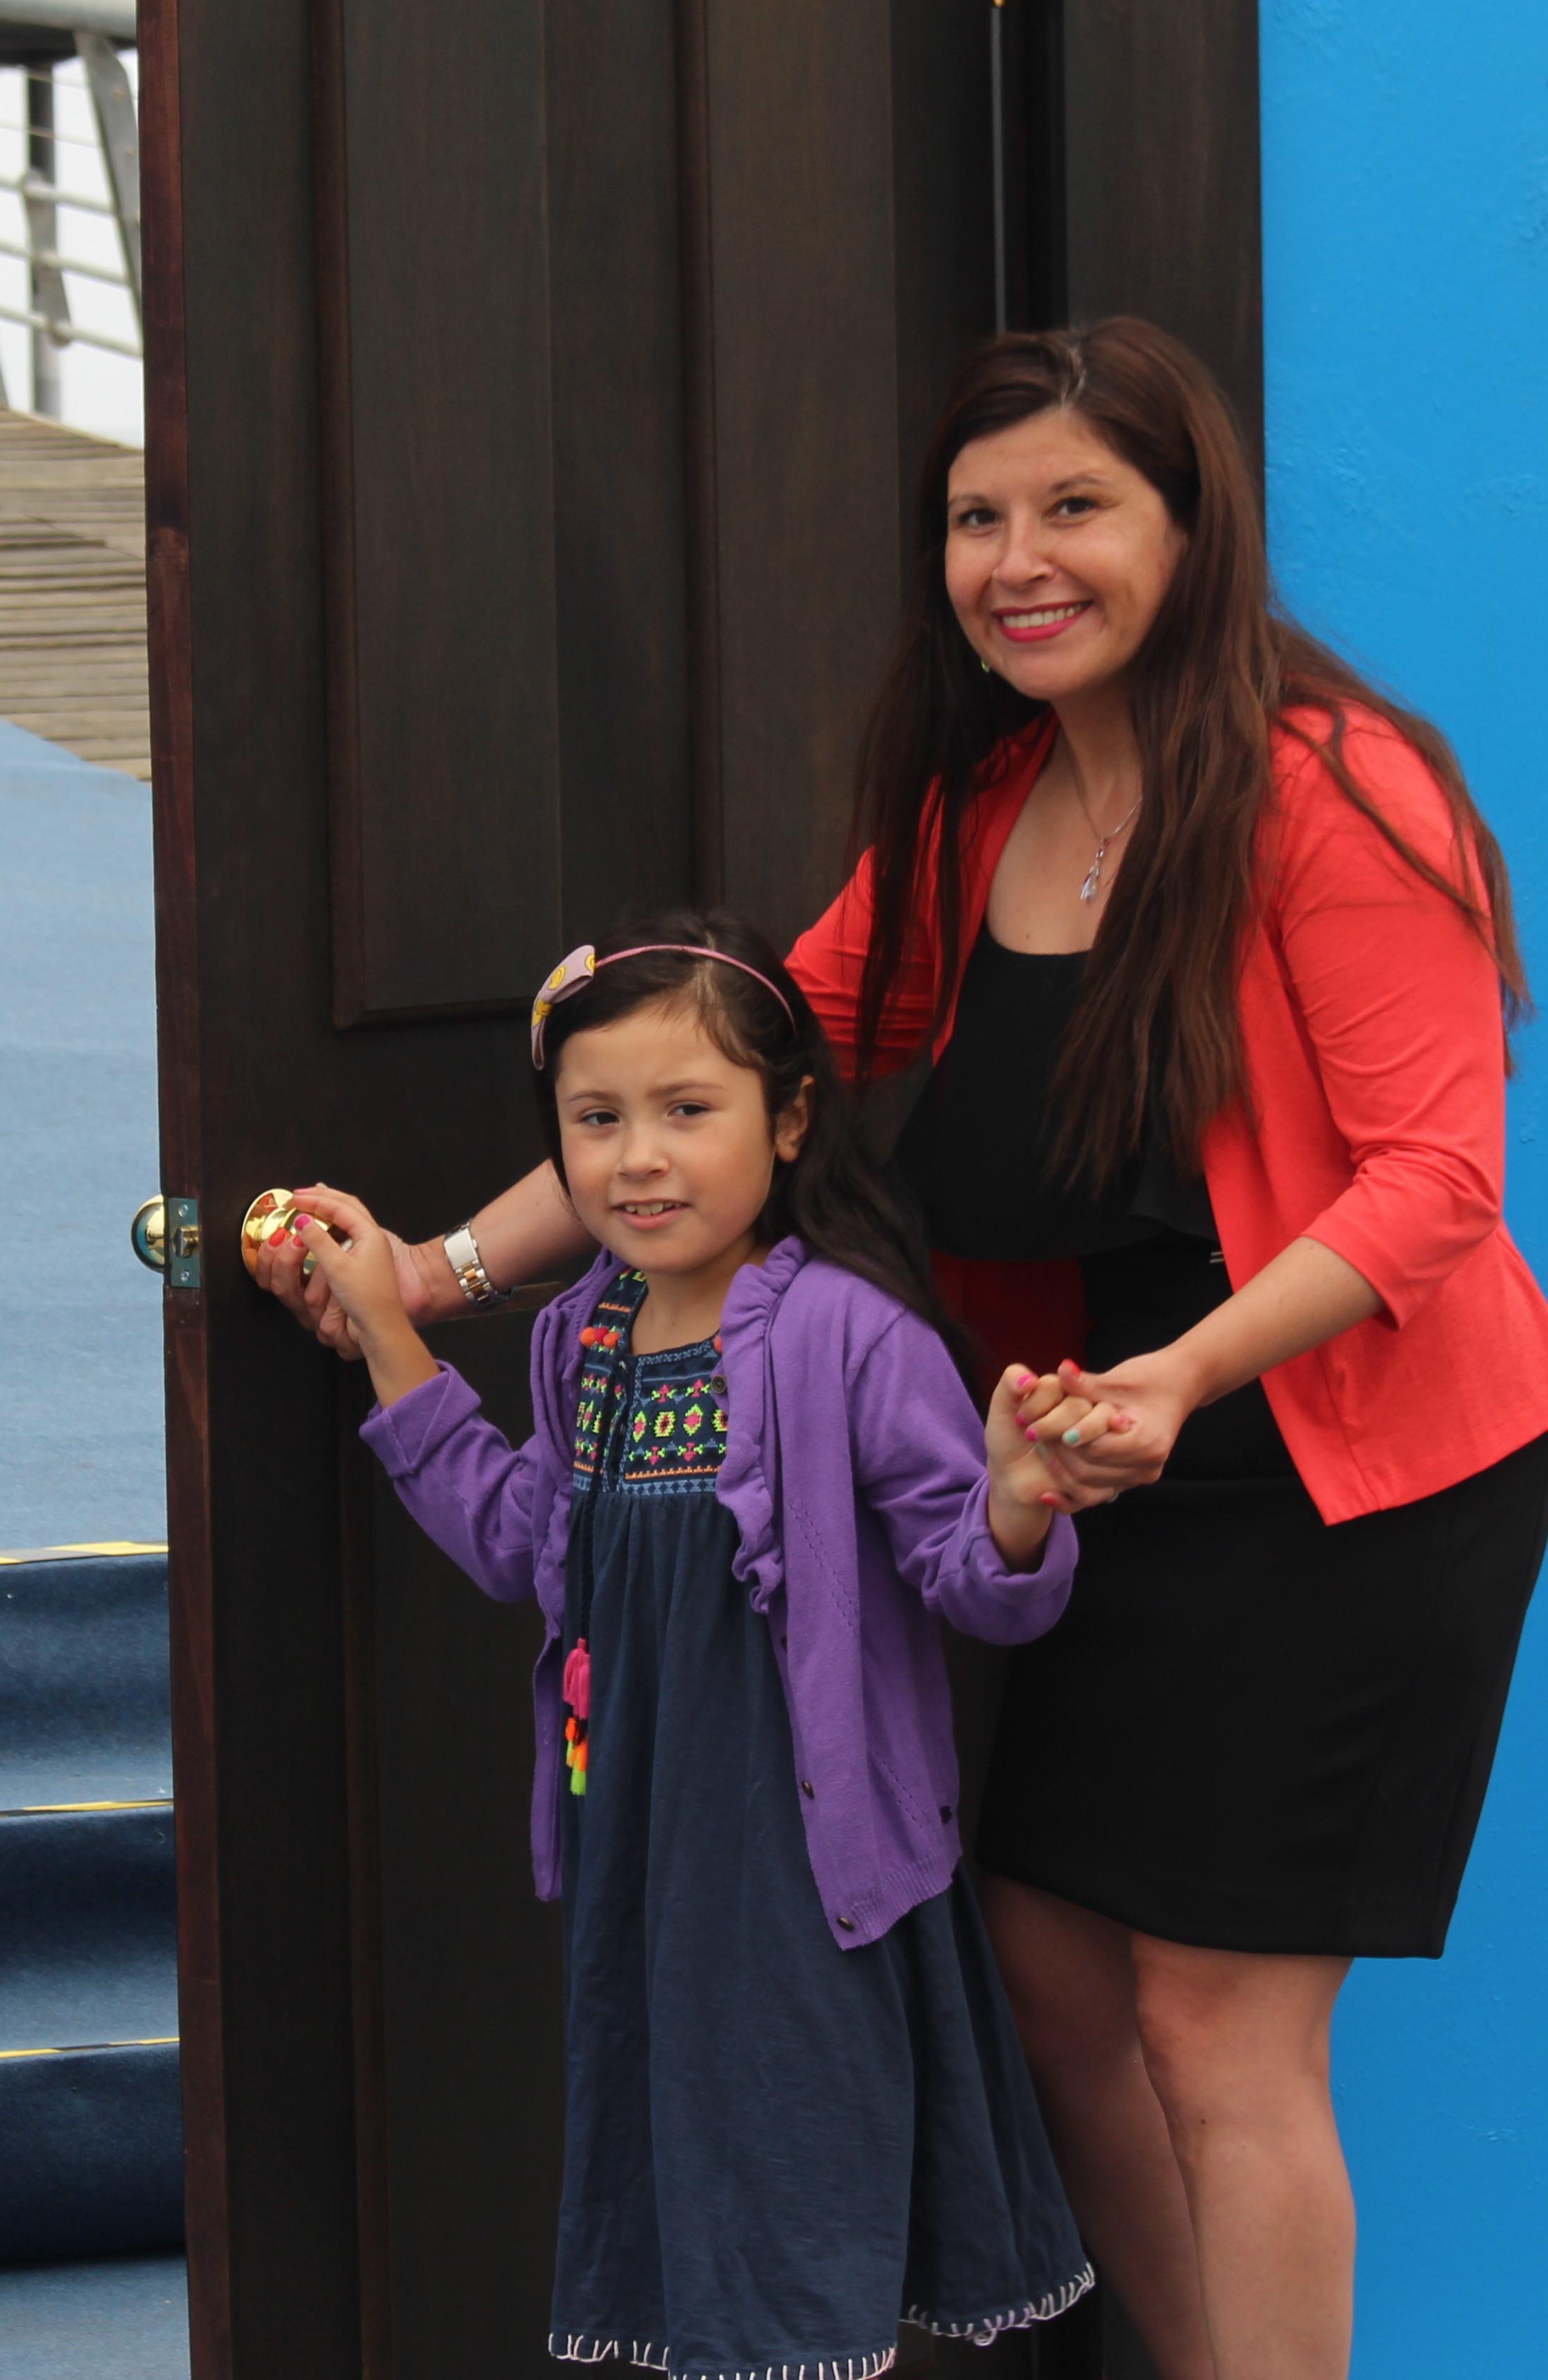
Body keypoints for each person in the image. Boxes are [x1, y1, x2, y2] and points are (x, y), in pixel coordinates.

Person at [258, 318, 1548, 2380]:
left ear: (1190, 528)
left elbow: (1436, 1183)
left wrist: (1185, 1379)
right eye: (980, 517)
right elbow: (730, 1057)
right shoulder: (984, 815)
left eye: (1076, 507)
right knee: (1057, 1978)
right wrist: (436, 1277)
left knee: (1223, 2030)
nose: (1018, 558)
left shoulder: (1336, 788)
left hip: (1339, 1474)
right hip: (1086, 1462)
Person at [291, 911, 1100, 2380]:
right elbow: (520, 1546)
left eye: (687, 1111)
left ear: (788, 1121)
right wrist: (393, 1334)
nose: (637, 1158)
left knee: (799, 2216)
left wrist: (1022, 1503)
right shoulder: (582, 1341)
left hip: (804, 1881)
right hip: (644, 1872)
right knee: (698, 2220)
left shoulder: (852, 1336)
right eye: (595, 1120)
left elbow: (976, 1585)